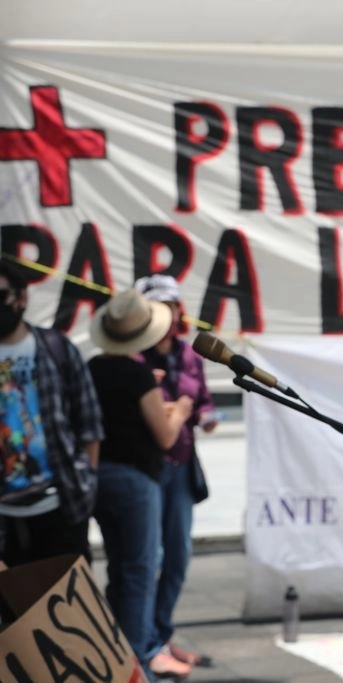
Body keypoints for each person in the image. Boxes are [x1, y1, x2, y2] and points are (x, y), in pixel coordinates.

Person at [88, 289, 194, 681]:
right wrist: (180, 410)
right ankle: (135, 663)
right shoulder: (137, 374)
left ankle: (115, 656)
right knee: (138, 571)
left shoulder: (93, 368)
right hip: (135, 481)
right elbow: (165, 435)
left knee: (119, 568)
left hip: (99, 476)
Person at [134, 274, 218, 676]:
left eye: (170, 306)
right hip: (148, 469)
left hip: (182, 466)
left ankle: (161, 636)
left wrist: (205, 415)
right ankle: (146, 643)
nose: (166, 315)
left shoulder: (188, 354)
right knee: (146, 558)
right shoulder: (134, 358)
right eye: (157, 308)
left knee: (178, 556)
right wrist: (178, 411)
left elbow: (202, 402)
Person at [0, 258, 104, 567]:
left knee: (69, 595)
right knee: (14, 598)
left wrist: (86, 482)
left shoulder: (55, 348)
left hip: (61, 506)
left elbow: (89, 423)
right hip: (5, 519)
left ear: (21, 298)